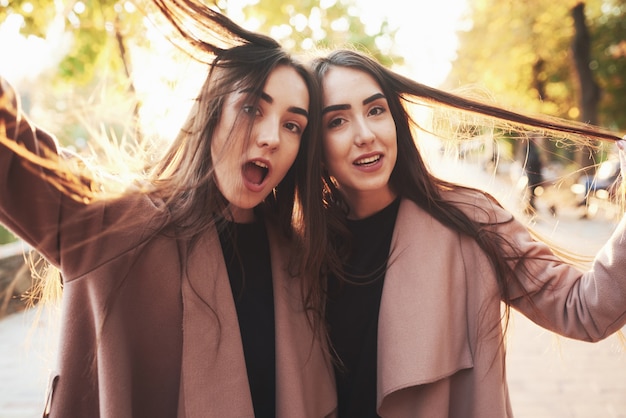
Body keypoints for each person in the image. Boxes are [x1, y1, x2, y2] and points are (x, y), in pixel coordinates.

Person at [0, 3, 336, 417]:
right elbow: (12, 150)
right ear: (213, 112)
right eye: (252, 108)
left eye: (293, 125)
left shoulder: (300, 263)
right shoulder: (118, 227)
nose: (271, 137)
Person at [311, 48, 626, 418]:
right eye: (337, 121)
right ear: (314, 141)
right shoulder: (301, 249)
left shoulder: (469, 220)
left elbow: (583, 308)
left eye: (375, 110)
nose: (365, 134)